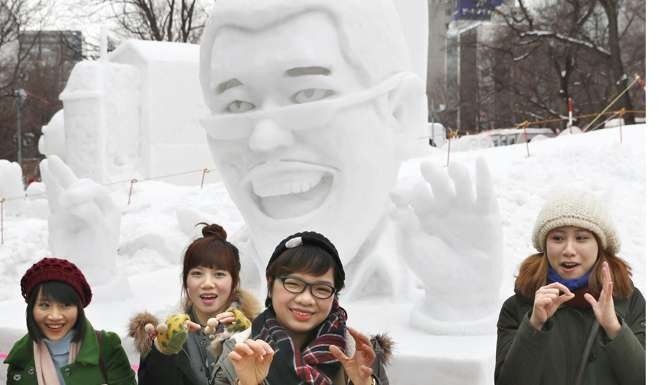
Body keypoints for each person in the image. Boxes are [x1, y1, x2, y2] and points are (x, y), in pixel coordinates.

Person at [495, 191, 645, 385]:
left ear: (599, 246)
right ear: (545, 245)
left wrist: (614, 327)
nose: (568, 250)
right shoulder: (518, 307)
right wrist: (534, 326)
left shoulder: (630, 302)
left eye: (581, 238)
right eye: (557, 238)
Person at [211, 231, 391, 385]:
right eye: (293, 284)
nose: (306, 299)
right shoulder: (238, 353)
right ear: (270, 284)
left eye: (321, 289)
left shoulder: (360, 355)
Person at [130, 223, 260, 385]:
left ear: (234, 282)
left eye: (219, 274)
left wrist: (245, 338)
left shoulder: (260, 330)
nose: (207, 283)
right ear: (185, 281)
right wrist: (161, 353)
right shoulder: (166, 335)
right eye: (197, 274)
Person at [4, 257, 136, 385]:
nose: (55, 316)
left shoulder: (107, 348)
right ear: (32, 308)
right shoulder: (20, 357)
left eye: (65, 305)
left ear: (78, 308)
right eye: (44, 305)